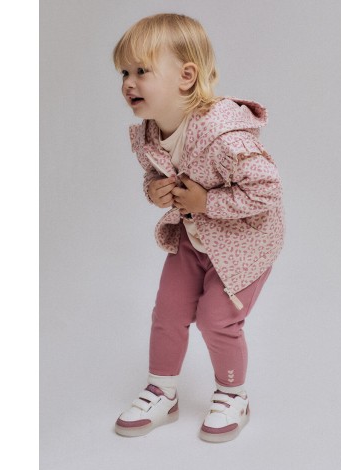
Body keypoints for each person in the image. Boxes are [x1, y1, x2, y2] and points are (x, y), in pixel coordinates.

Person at [112, 13, 285, 443]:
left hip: (245, 244)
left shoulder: (224, 135)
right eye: (124, 73)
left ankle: (233, 395)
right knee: (168, 311)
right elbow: (154, 173)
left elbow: (268, 189)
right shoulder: (151, 132)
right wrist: (155, 190)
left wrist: (207, 202)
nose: (129, 83)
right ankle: (162, 391)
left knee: (216, 320)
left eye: (141, 71)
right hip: (193, 239)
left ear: (186, 76)